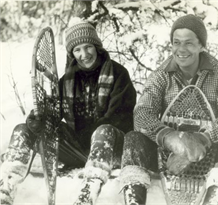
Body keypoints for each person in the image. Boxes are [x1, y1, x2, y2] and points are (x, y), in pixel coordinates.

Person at [0, 18, 136, 205]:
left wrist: (89, 133)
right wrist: (39, 119)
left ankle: (88, 193)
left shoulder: (118, 74)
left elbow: (120, 118)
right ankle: (6, 186)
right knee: (23, 129)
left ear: (97, 47)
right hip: (80, 150)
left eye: (88, 47)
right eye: (77, 50)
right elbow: (53, 113)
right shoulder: (68, 80)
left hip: (112, 149)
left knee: (104, 130)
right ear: (72, 53)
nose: (84, 54)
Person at [119, 14, 218, 205]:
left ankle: (215, 199)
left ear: (201, 45)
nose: (181, 49)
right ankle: (134, 200)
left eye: (188, 43)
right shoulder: (162, 75)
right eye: (176, 42)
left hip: (209, 151)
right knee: (133, 139)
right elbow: (142, 113)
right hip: (167, 153)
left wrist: (203, 139)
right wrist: (170, 138)